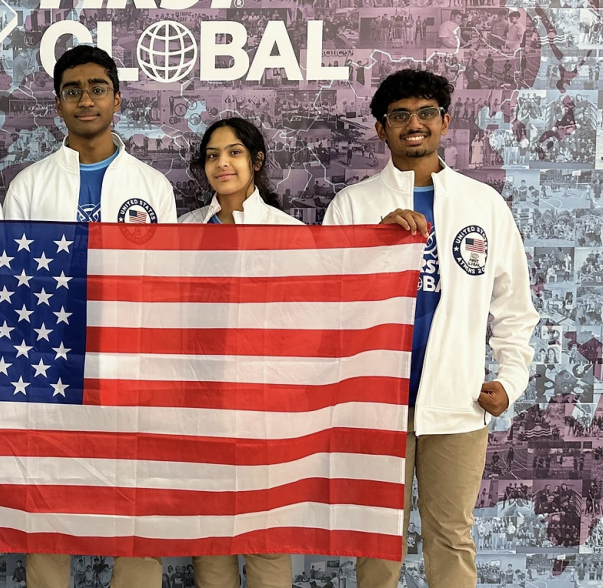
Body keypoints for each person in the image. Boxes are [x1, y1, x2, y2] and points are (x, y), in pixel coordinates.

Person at [323, 68, 538, 588]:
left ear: (444, 121)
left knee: (452, 537)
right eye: (399, 116)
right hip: (377, 403)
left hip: (459, 402)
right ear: (381, 129)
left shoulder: (482, 204)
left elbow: (515, 307)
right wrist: (374, 242)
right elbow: (328, 304)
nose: (413, 125)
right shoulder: (354, 205)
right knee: (377, 544)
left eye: (425, 114)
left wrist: (511, 381)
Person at [3, 44, 175, 587]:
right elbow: (14, 289)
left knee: (136, 507)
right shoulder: (29, 185)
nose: (86, 99)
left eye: (97, 88)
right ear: (57, 104)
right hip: (51, 368)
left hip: (130, 367)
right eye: (73, 90)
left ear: (118, 99)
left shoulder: (153, 187)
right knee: (48, 508)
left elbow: (166, 287)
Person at [180, 116, 297, 588]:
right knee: (211, 538)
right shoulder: (184, 231)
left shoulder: (290, 234)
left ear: (257, 161)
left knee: (265, 537)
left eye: (233, 153)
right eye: (212, 155)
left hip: (264, 405)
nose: (222, 164)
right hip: (200, 401)